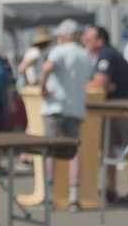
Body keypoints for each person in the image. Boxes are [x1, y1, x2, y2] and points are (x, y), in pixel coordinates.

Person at [81, 25, 128, 203]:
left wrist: (86, 83)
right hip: (115, 109)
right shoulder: (100, 56)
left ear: (100, 41)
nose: (84, 41)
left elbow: (98, 84)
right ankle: (112, 189)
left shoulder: (107, 55)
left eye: (88, 38)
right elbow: (100, 83)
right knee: (109, 148)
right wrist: (100, 83)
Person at [39, 18, 92, 212]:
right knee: (73, 152)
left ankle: (48, 196)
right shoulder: (85, 54)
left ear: (63, 36)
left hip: (55, 106)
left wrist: (42, 88)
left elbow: (47, 67)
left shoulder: (59, 51)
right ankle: (74, 197)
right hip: (75, 108)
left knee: (50, 151)